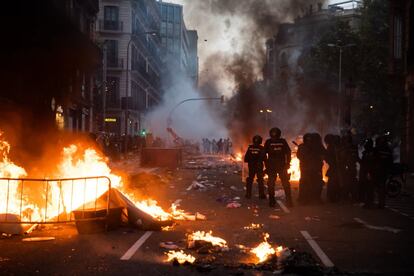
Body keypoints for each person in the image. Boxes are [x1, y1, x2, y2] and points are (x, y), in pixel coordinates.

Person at [264, 127, 293, 207]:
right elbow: (288, 152)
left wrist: (266, 164)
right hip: (281, 166)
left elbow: (263, 155)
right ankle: (289, 201)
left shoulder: (268, 142)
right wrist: (288, 163)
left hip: (272, 166)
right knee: (285, 183)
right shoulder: (282, 141)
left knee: (271, 184)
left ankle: (272, 201)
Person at [244, 135, 266, 199]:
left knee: (250, 180)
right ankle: (261, 195)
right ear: (260, 141)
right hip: (259, 166)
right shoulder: (262, 148)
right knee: (260, 180)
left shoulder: (250, 148)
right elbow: (265, 158)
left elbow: (246, 159)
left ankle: (248, 194)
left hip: (251, 166)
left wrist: (251, 160)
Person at [373, 136, 393, 209]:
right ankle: (382, 203)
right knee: (382, 187)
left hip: (378, 171)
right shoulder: (388, 150)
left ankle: (380, 203)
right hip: (384, 171)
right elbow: (391, 161)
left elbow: (373, 160)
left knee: (379, 187)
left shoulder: (377, 149)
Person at [324, 134, 341, 203]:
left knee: (334, 183)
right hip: (334, 167)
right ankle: (332, 197)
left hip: (336, 167)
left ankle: (333, 197)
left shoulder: (333, 147)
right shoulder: (331, 147)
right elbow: (327, 157)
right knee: (333, 183)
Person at [359, 138, 375, 208]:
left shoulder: (371, 152)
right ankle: (367, 202)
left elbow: (369, 163)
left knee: (369, 188)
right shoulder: (366, 152)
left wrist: (369, 172)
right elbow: (363, 162)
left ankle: (369, 203)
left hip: (369, 172)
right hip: (365, 172)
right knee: (366, 188)